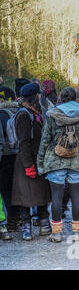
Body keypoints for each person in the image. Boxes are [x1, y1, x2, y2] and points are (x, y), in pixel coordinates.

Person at [37, 87, 79, 243]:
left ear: (61, 98)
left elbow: (45, 140)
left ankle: (57, 233)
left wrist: (41, 162)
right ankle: (78, 231)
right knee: (76, 196)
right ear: (76, 98)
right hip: (77, 160)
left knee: (57, 197)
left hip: (55, 161)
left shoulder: (53, 115)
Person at [12, 83, 51, 240]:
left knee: (41, 193)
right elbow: (24, 143)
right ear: (35, 97)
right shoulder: (24, 115)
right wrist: (29, 166)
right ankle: (26, 227)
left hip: (38, 159)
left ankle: (44, 223)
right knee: (25, 196)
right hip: (25, 161)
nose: (41, 97)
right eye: (39, 95)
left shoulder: (36, 112)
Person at [0, 88, 20, 235]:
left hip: (5, 155)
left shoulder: (1, 114)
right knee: (19, 187)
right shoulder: (21, 111)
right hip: (21, 155)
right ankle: (19, 218)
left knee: (6, 189)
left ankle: (11, 220)